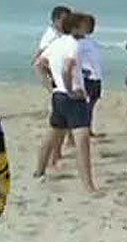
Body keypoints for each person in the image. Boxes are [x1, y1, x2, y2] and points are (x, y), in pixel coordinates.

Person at [33, 13, 98, 194]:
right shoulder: (73, 45)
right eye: (84, 26)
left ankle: (39, 171)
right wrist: (70, 89)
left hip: (58, 96)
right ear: (75, 27)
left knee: (53, 133)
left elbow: (39, 64)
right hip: (73, 98)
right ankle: (88, 185)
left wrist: (51, 86)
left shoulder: (57, 43)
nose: (87, 29)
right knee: (82, 141)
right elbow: (67, 68)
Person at [78, 15, 103, 137]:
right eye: (89, 25)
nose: (92, 27)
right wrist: (82, 71)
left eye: (93, 25)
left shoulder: (91, 41)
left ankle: (88, 128)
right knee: (84, 105)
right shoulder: (78, 42)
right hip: (87, 78)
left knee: (92, 104)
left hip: (96, 76)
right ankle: (82, 129)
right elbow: (73, 58)